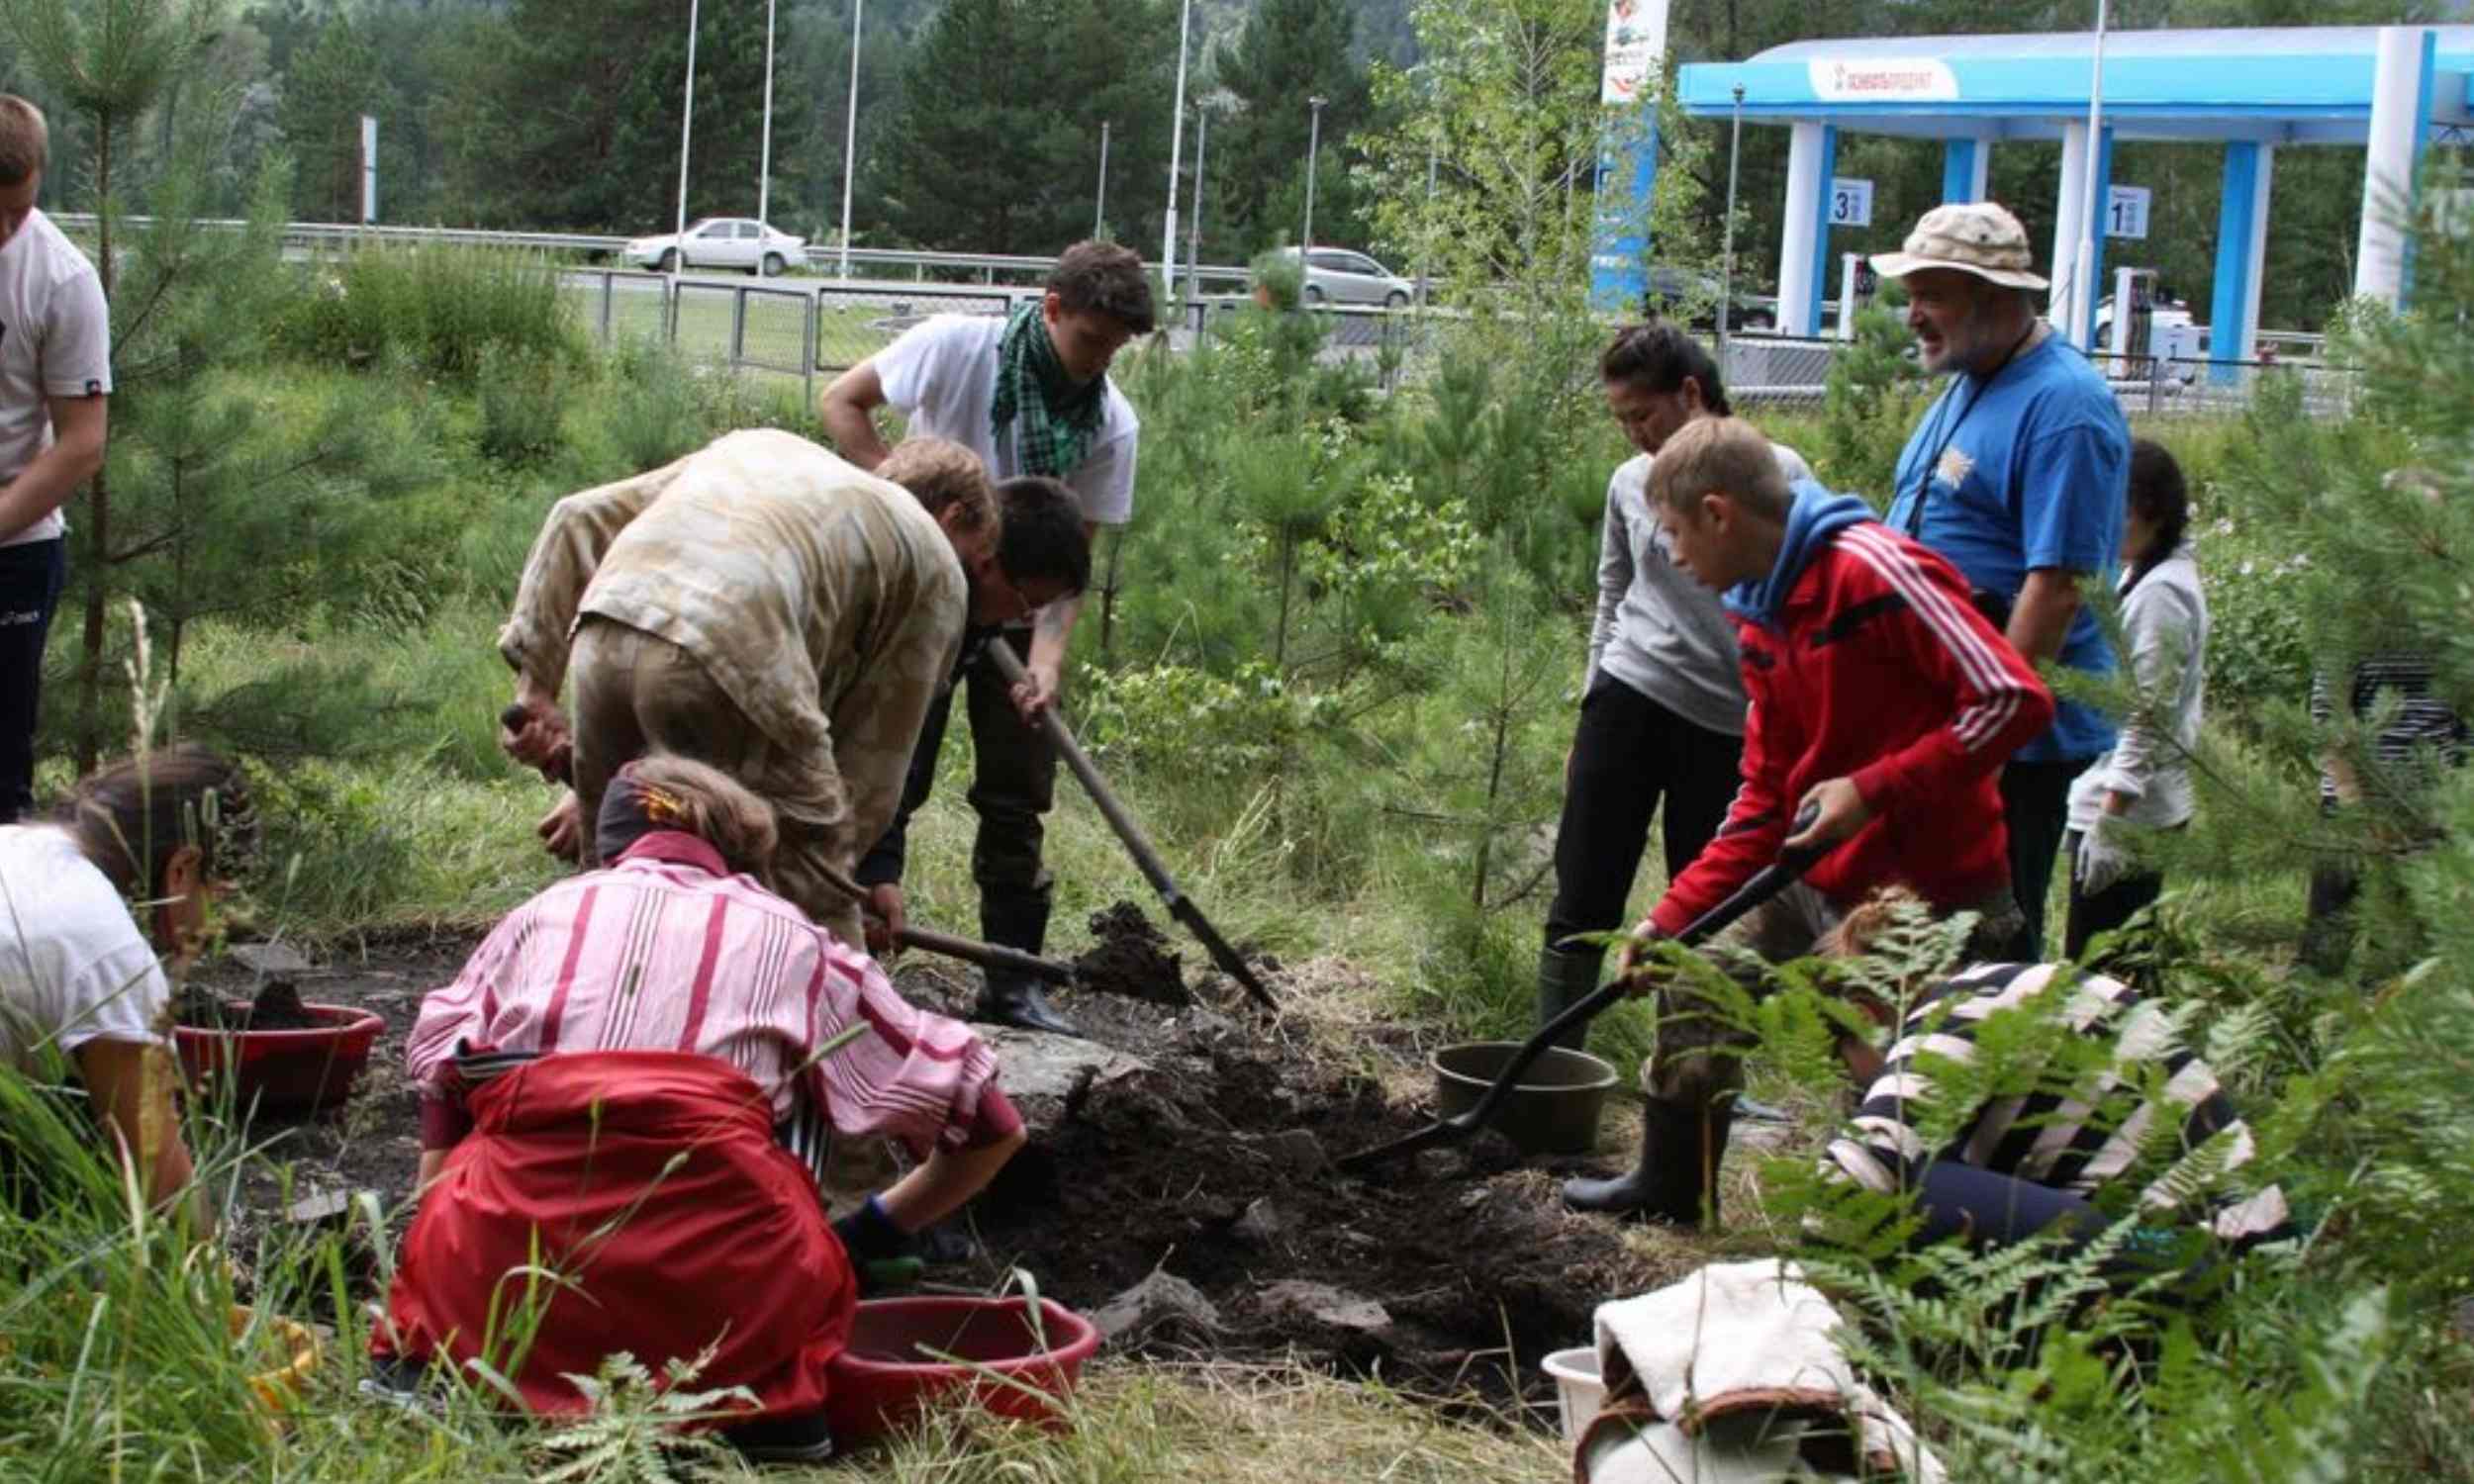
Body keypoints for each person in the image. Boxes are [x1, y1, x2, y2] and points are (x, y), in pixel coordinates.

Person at [380, 758, 1025, 1464]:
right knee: (796, 1100)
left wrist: (428, 1242)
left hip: (491, 1302)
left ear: (610, 847)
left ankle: (443, 1377)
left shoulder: (535, 920)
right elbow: (989, 1122)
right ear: (742, 854)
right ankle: (756, 1423)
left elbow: (441, 1070)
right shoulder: (797, 941)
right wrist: (867, 1235)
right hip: (729, 1334)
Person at [1563, 415, 2052, 1228]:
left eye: (1677, 535)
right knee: (1696, 976)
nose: (1675, 558)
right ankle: (1676, 1183)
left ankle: (1886, 1230)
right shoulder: (1760, 617)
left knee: (1890, 1078)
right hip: (1813, 873)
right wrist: (1667, 921)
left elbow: (2014, 700)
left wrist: (1871, 788)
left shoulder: (1875, 571)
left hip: (1921, 887)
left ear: (1720, 513)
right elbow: (1764, 800)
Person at [496, 429, 1089, 949]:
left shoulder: (765, 452)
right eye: (978, 557)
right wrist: (842, 882)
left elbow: (578, 515)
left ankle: (595, 1054)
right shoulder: (933, 560)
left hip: (604, 634)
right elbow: (870, 774)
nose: (974, 574)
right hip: (727, 650)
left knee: (617, 877)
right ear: (953, 520)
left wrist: (537, 689)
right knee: (810, 908)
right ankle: (832, 1067)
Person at [818, 241, 1155, 1036]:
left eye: (1113, 349)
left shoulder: (1110, 422)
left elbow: (1071, 569)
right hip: (924, 601)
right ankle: (852, 954)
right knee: (890, 774)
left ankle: (1011, 984)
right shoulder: (956, 349)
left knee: (1018, 798)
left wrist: (1043, 665)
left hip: (1016, 615)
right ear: (1052, 308)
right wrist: (910, 515)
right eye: (1088, 340)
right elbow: (842, 402)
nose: (1097, 362)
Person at [1538, 324, 1816, 1047]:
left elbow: (1800, 609)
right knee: (1585, 888)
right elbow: (1612, 591)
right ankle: (1553, 1063)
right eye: (1622, 420)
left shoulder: (1777, 475)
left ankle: (1698, 1076)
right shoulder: (1630, 483)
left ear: (1691, 394)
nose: (1634, 435)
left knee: (1712, 907)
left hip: (1728, 725)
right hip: (1630, 701)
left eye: (1644, 416)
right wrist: (1587, 710)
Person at [1874, 202, 2131, 959]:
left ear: (1996, 296)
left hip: (2006, 745)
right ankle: (1918, 1070)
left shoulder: (2065, 408)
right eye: (1911, 294)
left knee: (1985, 937)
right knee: (1921, 936)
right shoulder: (1969, 378)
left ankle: (1992, 1076)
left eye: (1932, 295)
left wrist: (1985, 738)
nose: (1913, 314)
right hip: (1943, 721)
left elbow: (2056, 586)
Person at [1815, 889, 2289, 1258]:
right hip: (2236, 1245)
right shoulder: (2000, 985)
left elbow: (1849, 1183)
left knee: (1909, 1189)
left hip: (2185, 1257)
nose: (1858, 1087)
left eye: (1847, 1064)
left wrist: (1780, 1304)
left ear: (1865, 1015)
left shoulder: (1951, 1018)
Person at [0, 744, 250, 1226]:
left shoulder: (16, 843)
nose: (213, 924)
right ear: (182, 868)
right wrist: (218, 1283)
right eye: (216, 897)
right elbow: (165, 1190)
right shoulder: (113, 953)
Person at [0, 97, 111, 824]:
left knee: (2, 771)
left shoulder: (62, 278)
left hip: (15, 551)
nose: (6, 230)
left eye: (19, 211)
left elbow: (82, 441)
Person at [2063, 440, 2205, 963]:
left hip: (2130, 812)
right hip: (2116, 798)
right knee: (2111, 959)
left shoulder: (2162, 592)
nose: (2107, 522)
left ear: (2155, 514)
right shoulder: (2140, 573)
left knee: (2104, 969)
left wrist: (2112, 820)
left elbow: (2149, 712)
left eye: (2119, 511)